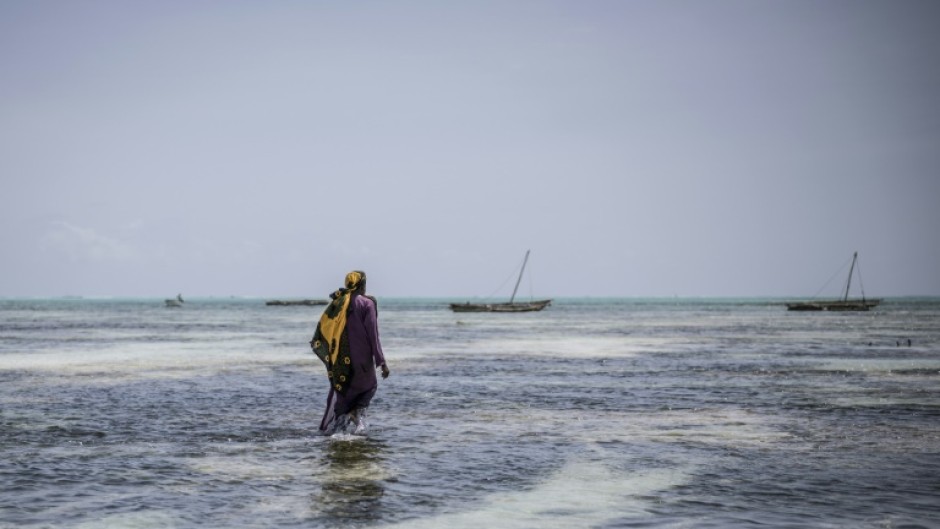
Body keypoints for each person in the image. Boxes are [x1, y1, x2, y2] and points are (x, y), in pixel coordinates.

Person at [310, 270, 389, 435]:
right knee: (369, 387)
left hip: (341, 358)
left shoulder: (338, 302)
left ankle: (335, 436)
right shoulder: (367, 304)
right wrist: (381, 362)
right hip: (362, 359)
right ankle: (355, 415)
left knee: (344, 392)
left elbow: (326, 327)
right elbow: (373, 335)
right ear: (362, 284)